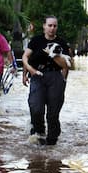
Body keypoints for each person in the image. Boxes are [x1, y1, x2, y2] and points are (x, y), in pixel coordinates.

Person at [22, 15, 71, 145]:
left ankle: (52, 140)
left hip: (55, 76)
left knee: (53, 113)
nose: (52, 28)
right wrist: (27, 72)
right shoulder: (36, 40)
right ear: (44, 26)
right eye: (49, 25)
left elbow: (66, 65)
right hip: (37, 75)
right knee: (36, 107)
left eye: (55, 26)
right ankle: (38, 131)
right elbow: (26, 57)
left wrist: (53, 54)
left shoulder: (62, 43)